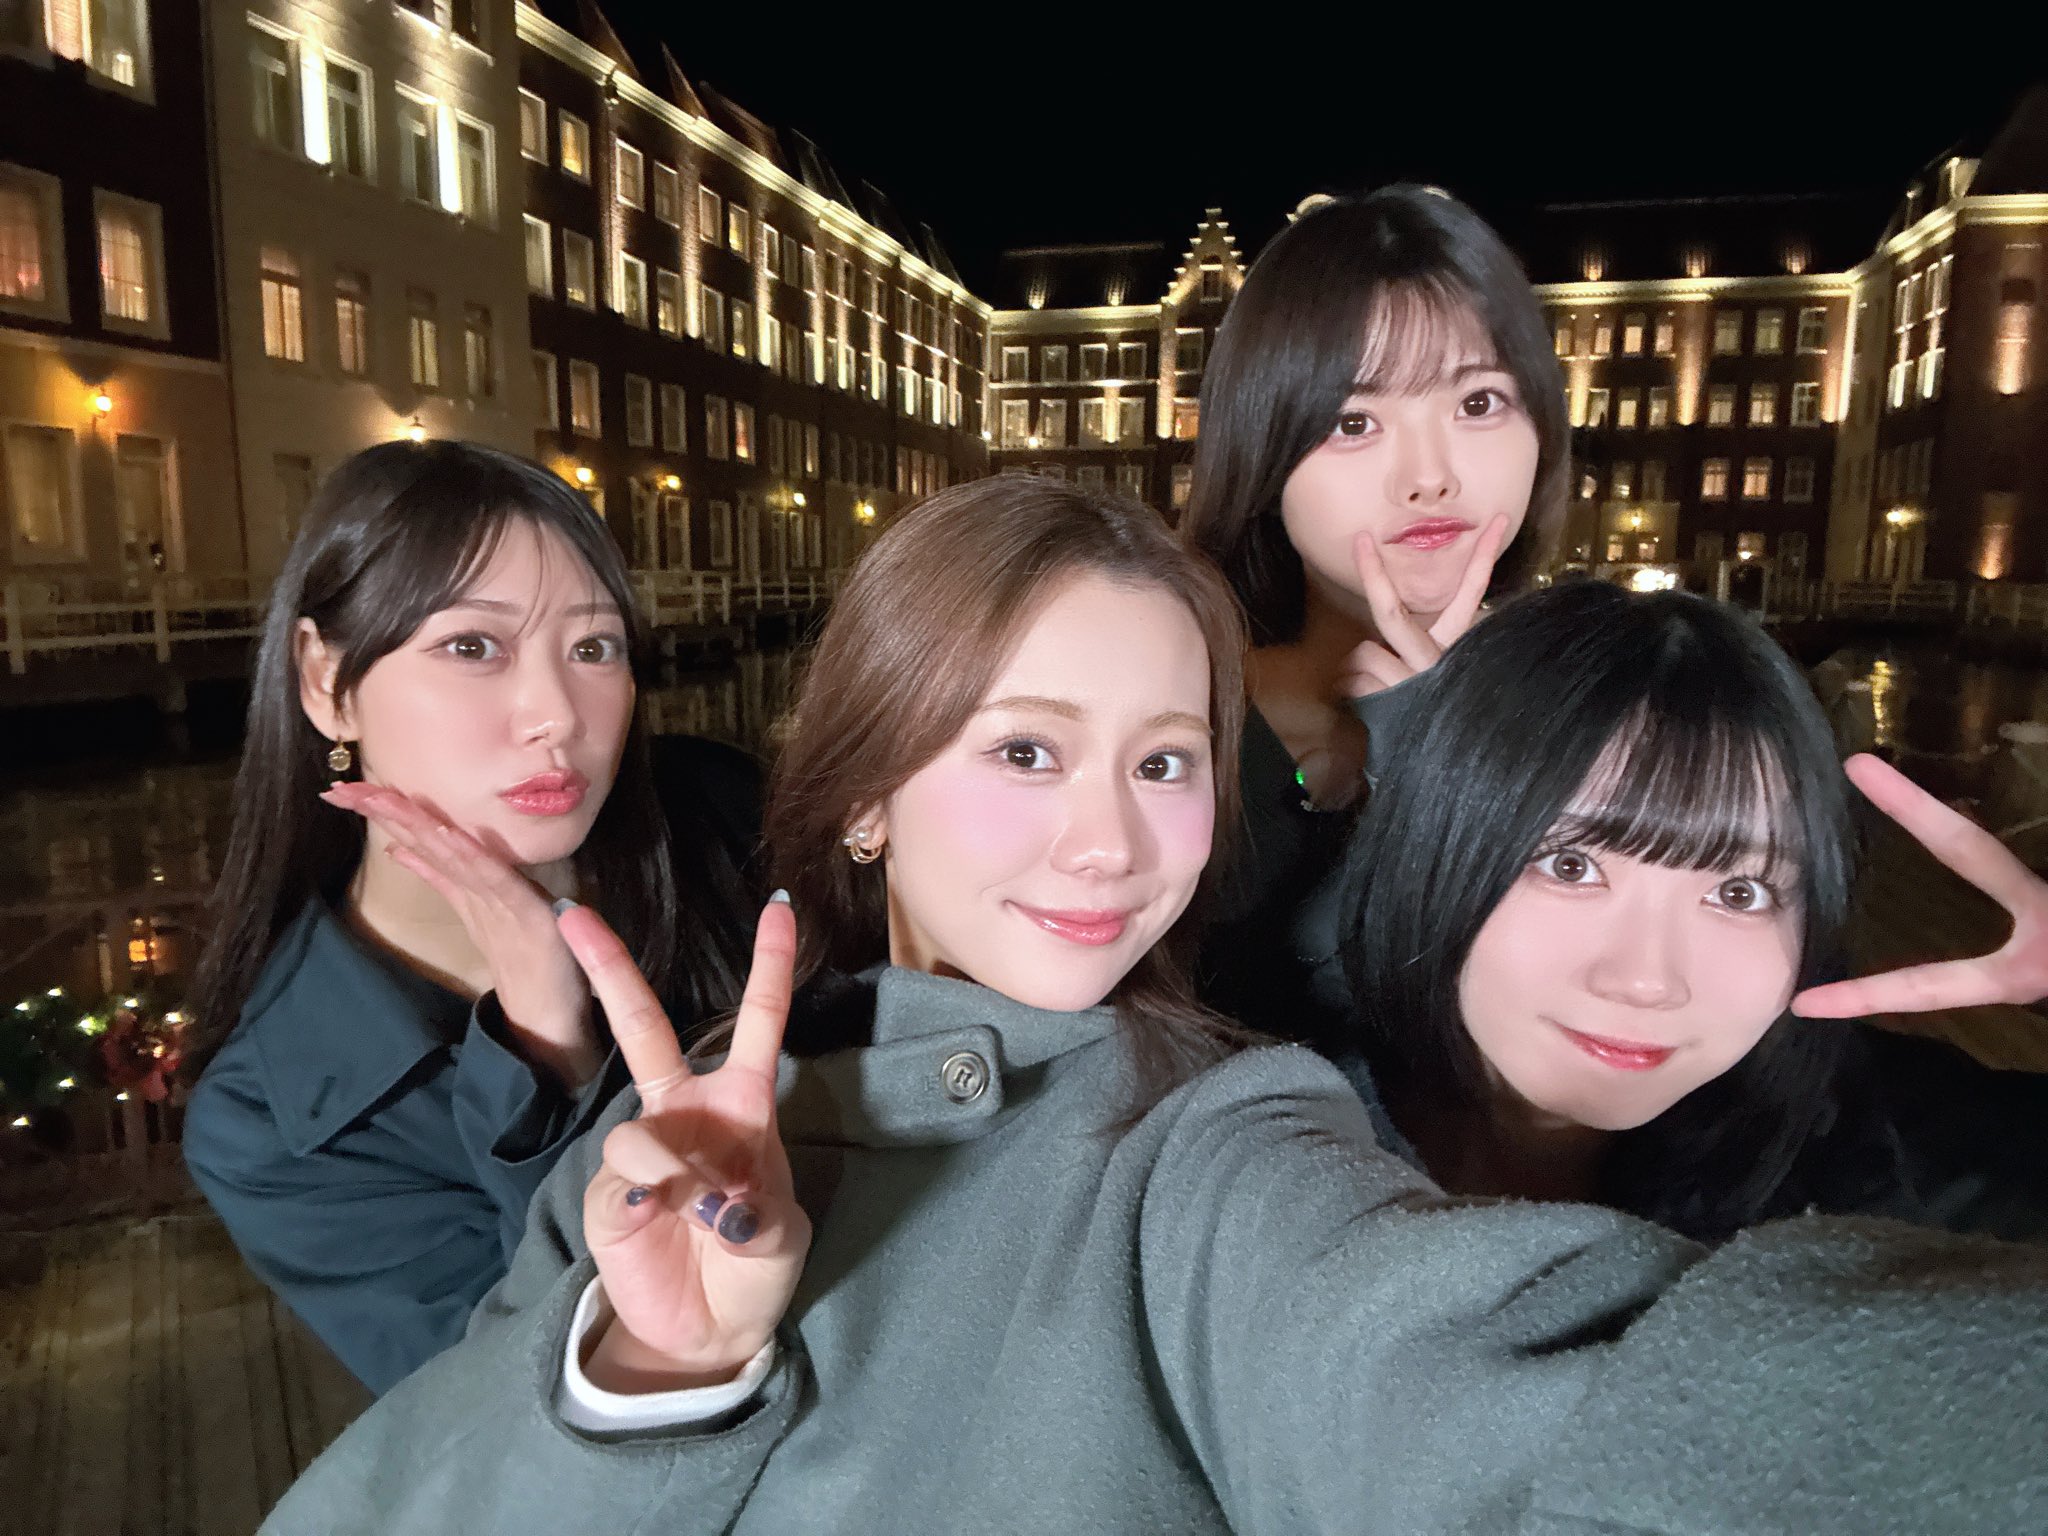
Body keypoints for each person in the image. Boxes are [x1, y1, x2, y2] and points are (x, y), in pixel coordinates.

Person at [261, 479, 2047, 1536]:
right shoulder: (665, 1138)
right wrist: (655, 1371)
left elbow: (1501, 1401)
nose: (1109, 841)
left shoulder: (1214, 1140)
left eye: (1168, 760)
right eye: (1027, 751)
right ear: (866, 786)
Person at [182, 440, 758, 1393]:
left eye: (593, 647)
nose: (555, 714)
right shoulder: (276, 1123)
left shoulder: (724, 821)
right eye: (472, 647)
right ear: (325, 681)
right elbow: (507, 1411)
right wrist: (552, 1057)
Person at [1306, 580, 2048, 1244]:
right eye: (1571, 866)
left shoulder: (1875, 1157)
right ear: (1432, 844)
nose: (1647, 981)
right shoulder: (1282, 1132)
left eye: (1739, 892)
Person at [1180, 186, 1568, 1030]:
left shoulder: (1606, 720)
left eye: (1478, 404)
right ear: (1262, 452)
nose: (1429, 476)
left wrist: (1452, 755)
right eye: (1354, 422)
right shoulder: (1174, 710)